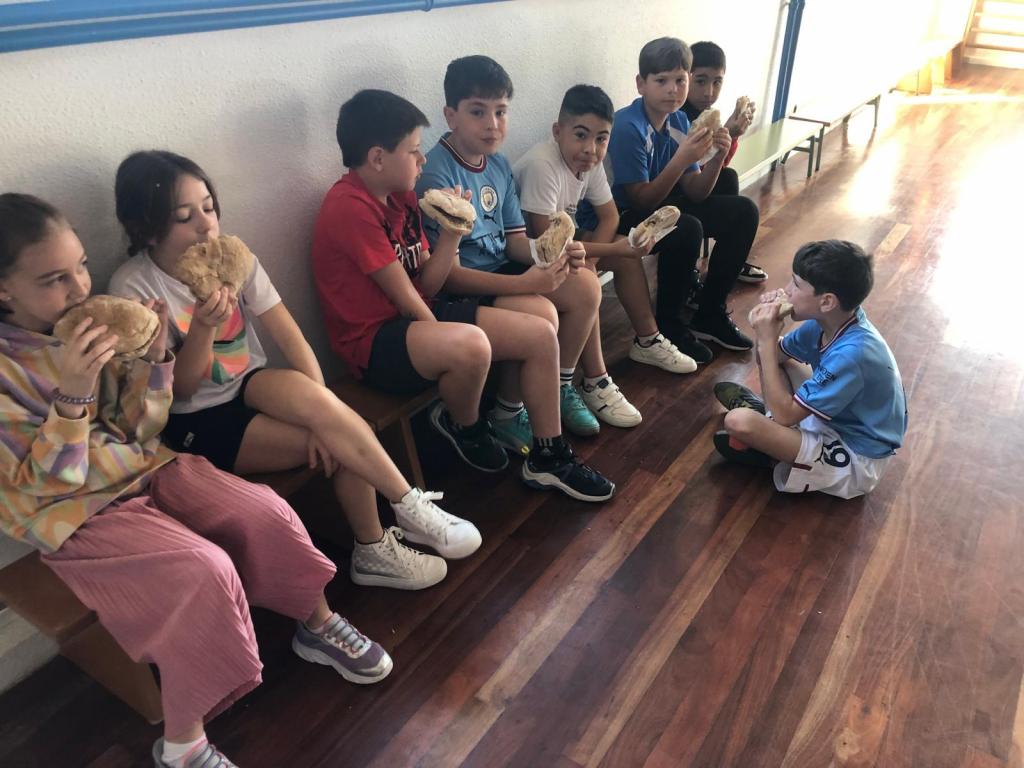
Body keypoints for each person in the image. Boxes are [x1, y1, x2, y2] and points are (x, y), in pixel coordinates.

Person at [0, 193, 391, 768]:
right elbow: (46, 483)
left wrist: (155, 358)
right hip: (70, 511)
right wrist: (75, 394)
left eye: (80, 265)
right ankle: (183, 741)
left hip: (145, 467)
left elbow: (139, 429)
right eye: (55, 279)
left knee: (265, 512)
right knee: (202, 571)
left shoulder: (87, 326)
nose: (81, 287)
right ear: (4, 290)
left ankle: (317, 623)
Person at [109, 150, 480, 592]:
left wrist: (324, 412)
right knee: (345, 444)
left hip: (251, 383)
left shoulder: (233, 259)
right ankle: (373, 550)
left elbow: (290, 336)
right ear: (147, 229)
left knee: (339, 423)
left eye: (209, 208)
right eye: (184, 217)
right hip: (197, 418)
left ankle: (409, 506)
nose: (207, 225)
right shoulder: (135, 287)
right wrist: (205, 327)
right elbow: (180, 392)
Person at [418, 57, 617, 502]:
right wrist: (527, 283)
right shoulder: (435, 175)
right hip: (460, 289)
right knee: (541, 315)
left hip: (497, 271)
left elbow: (513, 244)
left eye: (501, 111)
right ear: (450, 115)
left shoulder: (497, 164)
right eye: (478, 111)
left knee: (584, 284)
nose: (492, 124)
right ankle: (542, 446)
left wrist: (554, 252)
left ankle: (544, 397)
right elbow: (448, 277)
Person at [512, 84, 698, 430]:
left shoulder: (590, 162)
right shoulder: (542, 165)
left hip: (561, 248)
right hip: (527, 258)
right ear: (558, 131)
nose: (591, 149)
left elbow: (609, 217)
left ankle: (647, 339)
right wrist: (605, 254)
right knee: (603, 265)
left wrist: (595, 261)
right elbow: (546, 244)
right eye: (581, 135)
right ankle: (590, 381)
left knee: (617, 254)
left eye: (601, 139)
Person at [713, 240, 908, 499]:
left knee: (738, 421)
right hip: (836, 419)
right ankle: (769, 427)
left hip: (855, 456)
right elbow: (772, 358)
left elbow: (785, 414)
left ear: (826, 301)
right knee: (780, 362)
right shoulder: (828, 322)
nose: (786, 290)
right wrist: (770, 326)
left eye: (796, 284)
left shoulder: (853, 354)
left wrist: (767, 340)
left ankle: (767, 446)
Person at [607, 36, 759, 362]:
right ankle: (669, 326)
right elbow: (641, 202)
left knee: (744, 211)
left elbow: (696, 190)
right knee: (686, 227)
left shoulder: (678, 120)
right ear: (641, 84)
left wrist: (718, 154)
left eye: (680, 80)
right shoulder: (628, 127)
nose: (672, 90)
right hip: (622, 216)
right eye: (661, 81)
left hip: (657, 203)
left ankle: (710, 312)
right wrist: (682, 158)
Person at [682, 40, 766, 284]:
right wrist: (727, 135)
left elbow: (715, 168)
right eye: (700, 81)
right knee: (745, 211)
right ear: (686, 78)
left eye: (717, 82)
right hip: (678, 195)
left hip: (692, 189)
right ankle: (720, 267)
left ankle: (730, 258)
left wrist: (730, 135)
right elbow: (697, 172)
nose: (709, 92)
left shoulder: (705, 116)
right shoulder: (681, 118)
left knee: (728, 177)